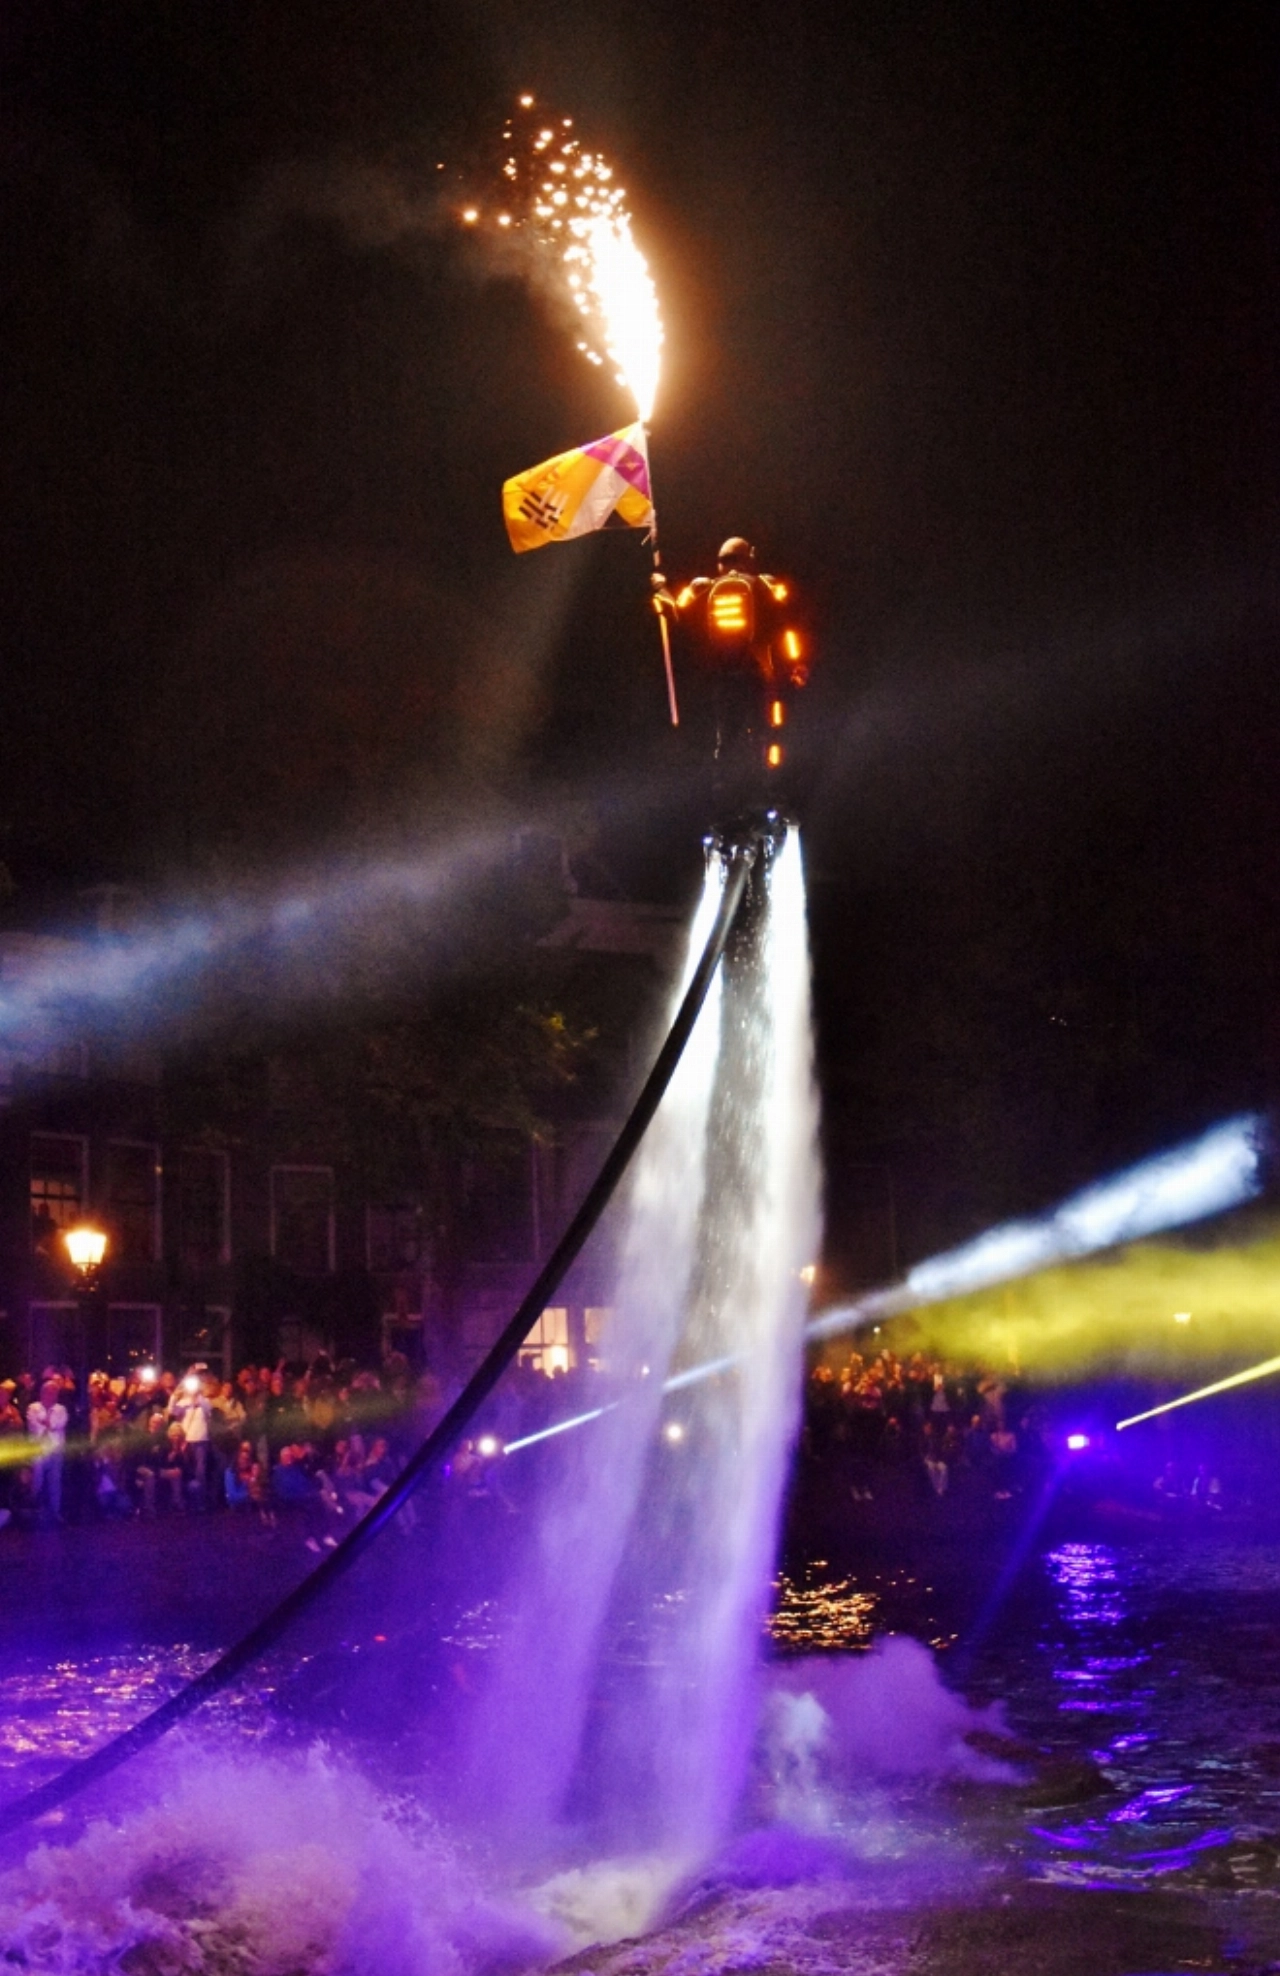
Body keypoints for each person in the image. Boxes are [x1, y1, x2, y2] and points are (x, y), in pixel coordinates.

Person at [25, 1377, 68, 1521]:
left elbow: (59, 1424)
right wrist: (47, 1425)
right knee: (37, 1480)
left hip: (56, 1451)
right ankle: (34, 1510)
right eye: (50, 1393)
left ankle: (55, 1512)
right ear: (43, 1393)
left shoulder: (61, 1409)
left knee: (55, 1482)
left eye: (55, 1393)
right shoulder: (33, 1408)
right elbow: (33, 1426)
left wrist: (45, 1423)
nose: (53, 1396)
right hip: (39, 1450)